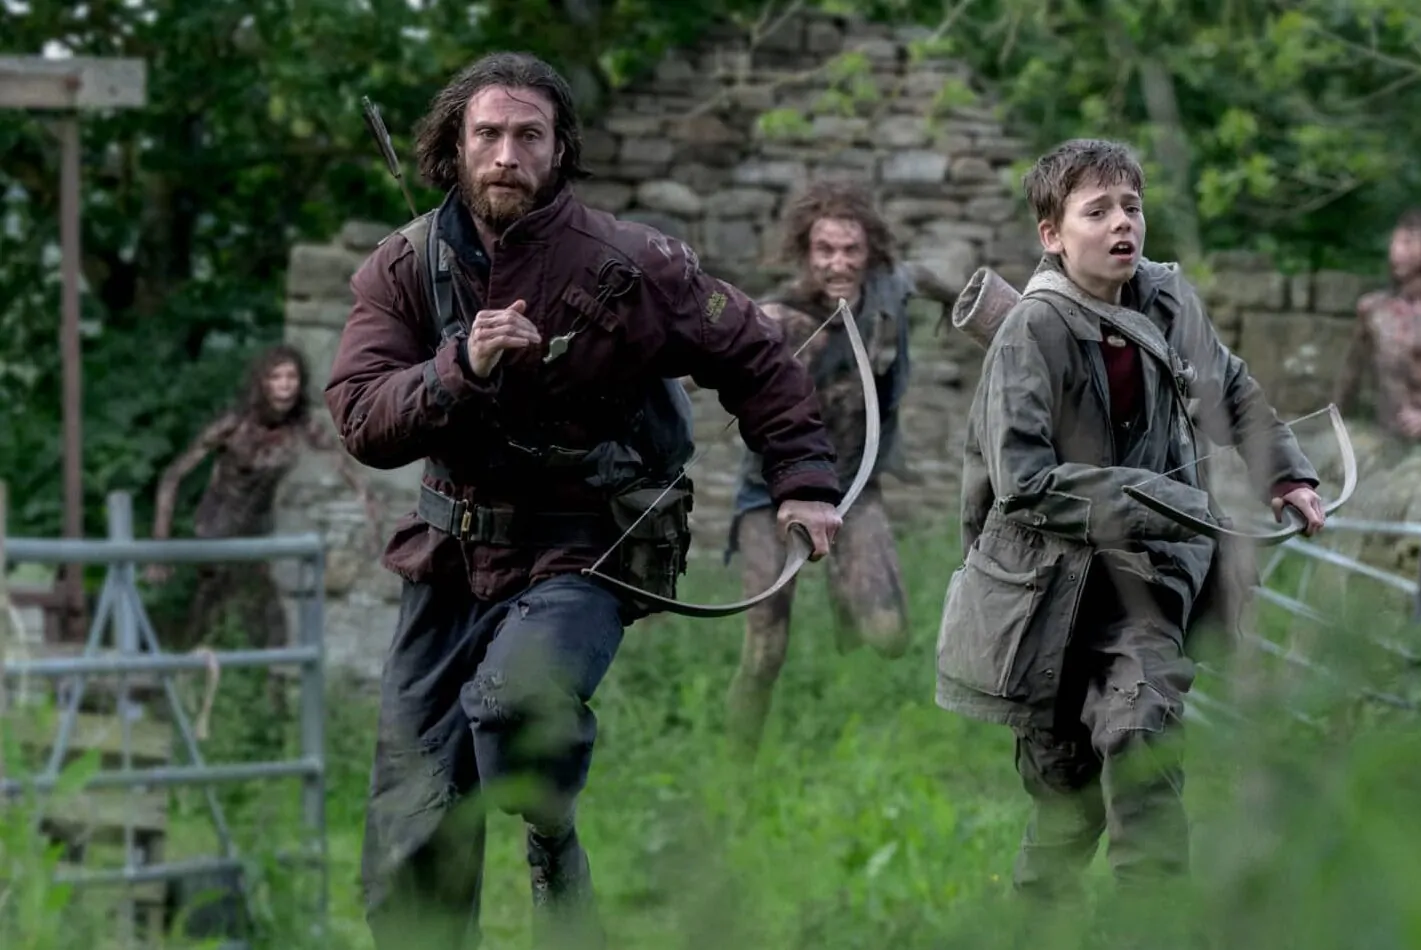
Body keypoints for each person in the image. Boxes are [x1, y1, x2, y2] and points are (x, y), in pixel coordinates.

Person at [322, 51, 845, 950]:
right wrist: (460, 366)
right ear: (455, 146)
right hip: (448, 562)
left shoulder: (634, 264)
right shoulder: (404, 268)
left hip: (581, 552)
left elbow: (756, 355)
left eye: (529, 135)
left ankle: (552, 842)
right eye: (488, 134)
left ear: (560, 149)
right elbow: (362, 418)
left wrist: (803, 483)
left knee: (517, 701)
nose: (507, 154)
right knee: (410, 842)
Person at [934, 138, 1326, 898]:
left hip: (1146, 580)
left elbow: (1228, 389)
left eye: (1132, 207)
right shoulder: (1030, 332)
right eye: (1098, 211)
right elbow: (1022, 483)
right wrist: (1170, 501)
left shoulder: (1167, 300)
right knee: (1066, 801)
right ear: (1052, 234)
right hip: (1043, 591)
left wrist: (1286, 474)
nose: (1123, 224)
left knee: (1143, 732)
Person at [721, 179, 959, 753]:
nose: (839, 263)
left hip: (854, 488)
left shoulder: (889, 291)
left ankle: (845, 605)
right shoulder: (777, 318)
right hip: (771, 498)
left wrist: (970, 309)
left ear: (870, 252)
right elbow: (703, 357)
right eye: (825, 249)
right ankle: (734, 772)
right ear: (804, 252)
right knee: (765, 651)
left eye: (851, 250)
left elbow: (936, 282)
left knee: (889, 634)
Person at [149, 343, 381, 654]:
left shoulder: (303, 428)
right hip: (217, 529)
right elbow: (172, 477)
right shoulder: (235, 424)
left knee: (264, 624)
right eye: (276, 377)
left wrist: (371, 519)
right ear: (262, 382)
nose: (285, 385)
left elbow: (350, 473)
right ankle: (188, 668)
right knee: (220, 612)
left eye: (291, 377)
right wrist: (160, 545)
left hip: (256, 533)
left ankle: (257, 676)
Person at [1332, 207, 1421, 447]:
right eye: (1395, 242)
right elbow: (1349, 380)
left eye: (1408, 243)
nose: (1397, 251)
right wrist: (1338, 428)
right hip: (1381, 440)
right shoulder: (1373, 309)